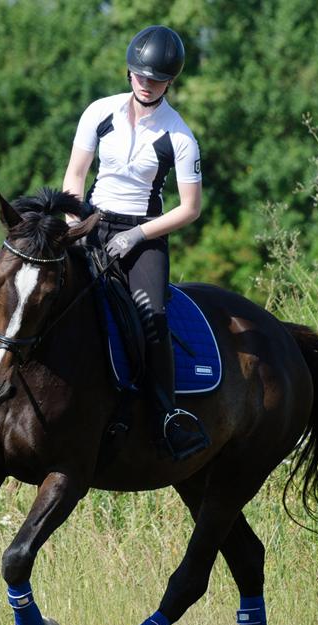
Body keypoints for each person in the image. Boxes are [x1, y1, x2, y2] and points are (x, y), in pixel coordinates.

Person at [61, 24, 209, 461]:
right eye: (141, 75)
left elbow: (191, 208)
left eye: (157, 79)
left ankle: (167, 415)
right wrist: (75, 222)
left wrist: (138, 235)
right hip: (91, 220)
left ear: (170, 82)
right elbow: (75, 174)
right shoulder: (99, 112)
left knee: (151, 314)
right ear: (129, 72)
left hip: (144, 234)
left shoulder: (179, 137)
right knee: (47, 287)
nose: (147, 84)